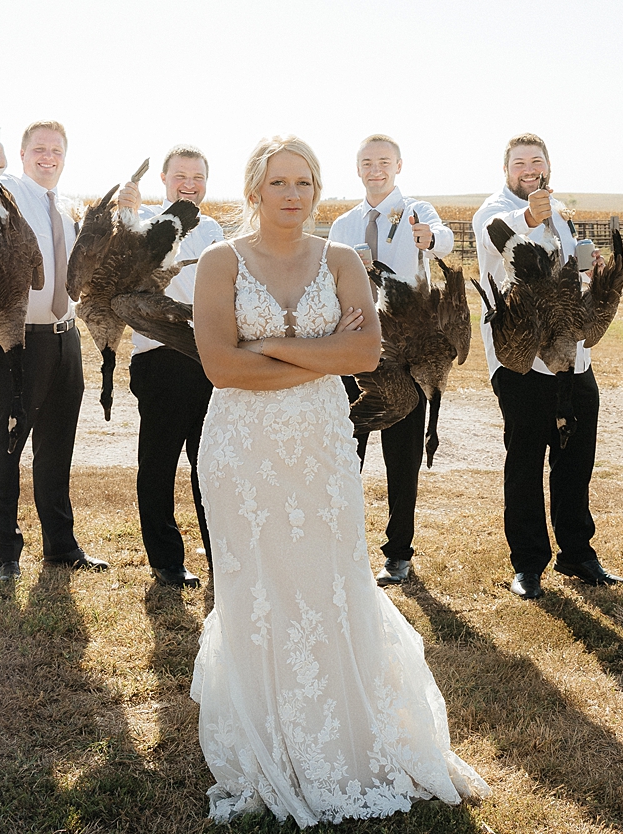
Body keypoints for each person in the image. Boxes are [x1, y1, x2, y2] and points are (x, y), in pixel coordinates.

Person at [190, 135, 488, 825]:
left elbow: (365, 350)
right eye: (280, 181)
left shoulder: (344, 259)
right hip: (242, 448)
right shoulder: (218, 263)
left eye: (306, 182)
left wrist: (266, 344)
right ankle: (272, 732)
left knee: (329, 576)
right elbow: (220, 367)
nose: (294, 193)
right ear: (255, 189)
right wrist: (317, 356)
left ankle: (347, 728)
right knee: (259, 584)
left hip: (322, 446)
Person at [471, 134, 623, 600]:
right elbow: (497, 239)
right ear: (506, 170)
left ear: (548, 166)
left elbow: (565, 275)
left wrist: (587, 265)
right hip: (521, 359)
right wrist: (530, 217)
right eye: (519, 163)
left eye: (537, 161)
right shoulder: (491, 211)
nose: (529, 169)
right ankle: (528, 562)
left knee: (576, 458)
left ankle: (577, 553)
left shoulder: (560, 213)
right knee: (525, 460)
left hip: (572, 356)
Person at [0, 121, 108, 580]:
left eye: (57, 150)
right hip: (17, 340)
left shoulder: (66, 207)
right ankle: (6, 554)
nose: (48, 157)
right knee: (7, 444)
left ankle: (61, 547)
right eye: (40, 149)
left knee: (57, 447)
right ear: (24, 154)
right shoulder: (6, 190)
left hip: (66, 338)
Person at [327, 134, 455, 585]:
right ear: (357, 168)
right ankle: (341, 546)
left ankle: (398, 553)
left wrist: (429, 236)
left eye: (384, 162)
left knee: (402, 458)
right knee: (346, 453)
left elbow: (446, 241)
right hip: (355, 349)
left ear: (399, 165)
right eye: (367, 162)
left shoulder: (419, 210)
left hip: (408, 352)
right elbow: (325, 280)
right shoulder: (343, 224)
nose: (375, 169)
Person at [116, 145, 224, 588]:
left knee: (212, 463)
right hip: (159, 356)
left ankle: (221, 553)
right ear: (163, 178)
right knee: (159, 463)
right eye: (181, 175)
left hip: (211, 357)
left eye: (198, 177)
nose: (190, 184)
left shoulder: (215, 229)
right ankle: (165, 560)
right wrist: (126, 216)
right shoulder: (144, 225)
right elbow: (119, 264)